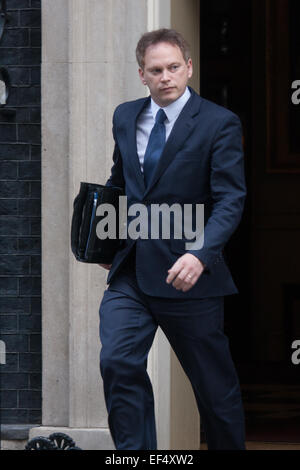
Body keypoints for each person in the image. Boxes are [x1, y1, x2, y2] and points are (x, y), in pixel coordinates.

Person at [98, 28, 247, 450]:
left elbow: (230, 199)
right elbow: (119, 183)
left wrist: (200, 254)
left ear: (189, 68)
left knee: (215, 392)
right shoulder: (125, 116)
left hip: (190, 275)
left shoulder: (219, 123)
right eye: (156, 70)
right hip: (132, 271)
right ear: (142, 74)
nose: (166, 77)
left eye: (174, 68)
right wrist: (106, 241)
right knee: (117, 361)